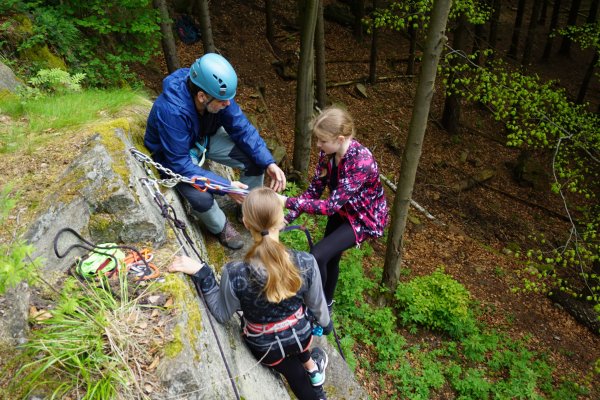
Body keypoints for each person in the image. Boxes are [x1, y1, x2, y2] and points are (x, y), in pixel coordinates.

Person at [169, 187, 332, 400]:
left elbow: (221, 313)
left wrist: (203, 273)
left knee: (292, 371)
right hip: (301, 335)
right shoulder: (306, 262)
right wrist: (326, 325)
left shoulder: (235, 273)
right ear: (282, 221)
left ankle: (307, 372)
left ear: (246, 224)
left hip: (266, 348)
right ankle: (313, 371)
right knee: (299, 347)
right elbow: (317, 305)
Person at [145, 53, 286, 250]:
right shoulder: (171, 111)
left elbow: (241, 127)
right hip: (176, 157)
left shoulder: (217, 94)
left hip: (204, 137)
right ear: (202, 96)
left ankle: (249, 209)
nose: (228, 104)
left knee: (254, 162)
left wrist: (268, 162)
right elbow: (179, 164)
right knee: (200, 197)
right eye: (223, 101)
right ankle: (221, 227)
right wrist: (226, 186)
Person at [280, 107, 388, 311]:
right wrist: (287, 218)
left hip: (362, 219)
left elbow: (329, 206)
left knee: (318, 255)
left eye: (322, 140)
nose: (318, 145)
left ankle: (317, 307)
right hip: (342, 209)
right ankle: (326, 304)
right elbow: (314, 190)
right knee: (329, 258)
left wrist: (285, 201)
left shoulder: (361, 161)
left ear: (340, 139)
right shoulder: (327, 154)